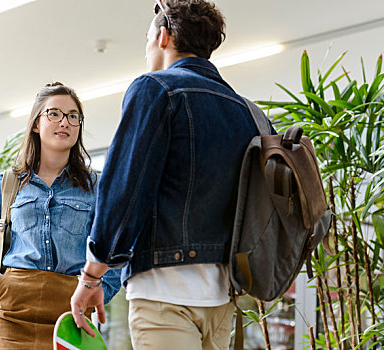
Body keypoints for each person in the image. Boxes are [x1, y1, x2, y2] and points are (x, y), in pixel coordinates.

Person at [70, 0, 266, 349]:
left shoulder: (155, 89)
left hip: (165, 294)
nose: (146, 49)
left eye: (147, 39)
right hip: (222, 298)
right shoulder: (245, 110)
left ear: (164, 36)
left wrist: (91, 277)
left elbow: (124, 191)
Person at [0, 82, 121, 349]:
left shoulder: (96, 187)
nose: (64, 122)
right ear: (36, 124)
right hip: (11, 312)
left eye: (73, 116)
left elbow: (114, 249)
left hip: (71, 312)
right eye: (54, 114)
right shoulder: (10, 183)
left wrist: (101, 291)